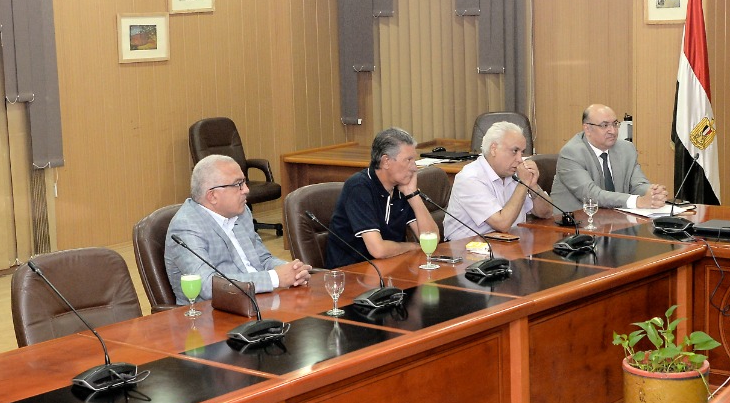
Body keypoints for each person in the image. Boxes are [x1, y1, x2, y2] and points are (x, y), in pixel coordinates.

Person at [165, 154, 310, 301]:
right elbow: (207, 285)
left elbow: (262, 259)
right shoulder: (186, 226)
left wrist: (293, 270)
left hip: (259, 299)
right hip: (214, 309)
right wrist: (274, 278)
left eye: (244, 182)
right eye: (238, 184)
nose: (246, 190)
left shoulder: (241, 212)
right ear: (212, 196)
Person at [325, 127, 438, 268]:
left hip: (390, 267)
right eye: (408, 160)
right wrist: (411, 246)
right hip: (352, 272)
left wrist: (413, 195)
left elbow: (432, 240)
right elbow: (378, 250)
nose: (414, 167)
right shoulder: (359, 187)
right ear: (386, 161)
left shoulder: (401, 188)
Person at [444, 121, 553, 240]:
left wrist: (533, 186)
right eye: (514, 151)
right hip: (470, 248)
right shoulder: (470, 178)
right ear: (494, 149)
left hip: (509, 243)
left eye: (522, 152)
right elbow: (502, 224)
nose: (520, 159)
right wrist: (523, 183)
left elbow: (546, 213)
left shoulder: (514, 173)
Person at [551, 104, 668, 212]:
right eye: (604, 125)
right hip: (575, 222)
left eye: (615, 124)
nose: (612, 131)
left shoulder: (626, 149)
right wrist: (637, 201)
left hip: (613, 219)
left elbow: (637, 184)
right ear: (587, 129)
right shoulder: (571, 153)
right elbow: (591, 195)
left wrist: (652, 192)